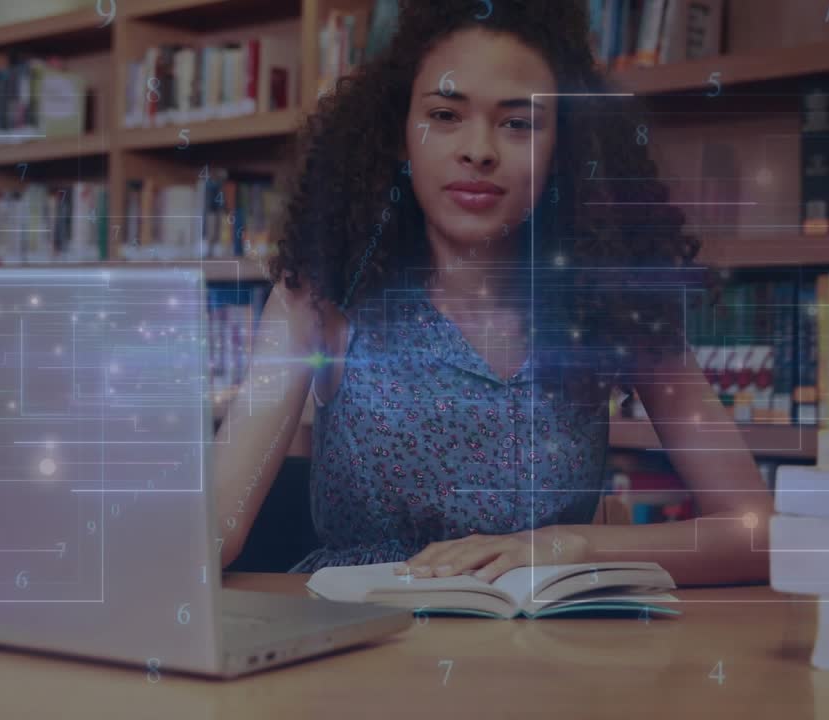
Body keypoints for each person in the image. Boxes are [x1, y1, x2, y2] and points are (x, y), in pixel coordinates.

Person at [213, 0, 771, 586]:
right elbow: (219, 519)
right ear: (399, 134)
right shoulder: (320, 299)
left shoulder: (611, 303)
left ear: (565, 150)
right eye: (446, 115)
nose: (479, 150)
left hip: (550, 652)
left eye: (517, 123)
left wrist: (572, 545)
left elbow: (757, 529)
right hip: (359, 642)